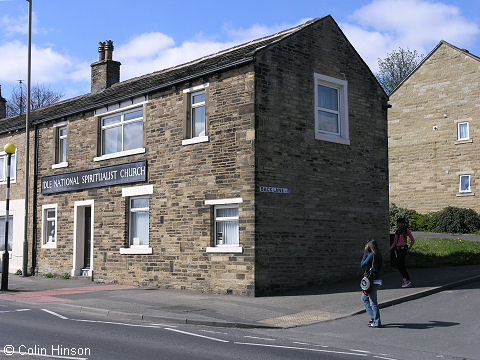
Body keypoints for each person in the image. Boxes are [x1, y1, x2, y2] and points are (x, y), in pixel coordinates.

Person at [361, 240, 383, 328]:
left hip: (372, 281)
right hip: (377, 280)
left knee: (373, 302)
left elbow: (362, 264)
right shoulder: (378, 254)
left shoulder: (371, 255)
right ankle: (373, 317)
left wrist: (364, 253)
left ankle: (377, 322)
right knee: (364, 298)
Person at [390, 218, 415, 288]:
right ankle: (406, 280)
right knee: (401, 265)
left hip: (403, 249)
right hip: (398, 249)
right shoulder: (397, 231)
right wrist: (389, 249)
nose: (398, 224)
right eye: (397, 223)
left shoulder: (406, 230)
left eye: (399, 223)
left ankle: (406, 280)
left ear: (402, 223)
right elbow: (394, 242)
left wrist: (409, 249)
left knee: (399, 264)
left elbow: (413, 240)